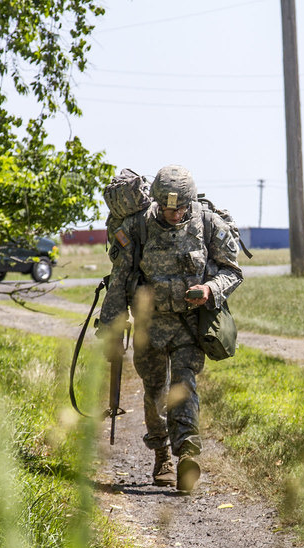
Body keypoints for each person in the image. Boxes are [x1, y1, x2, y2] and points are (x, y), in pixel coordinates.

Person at [98, 165, 243, 492]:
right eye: (166, 207)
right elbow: (119, 281)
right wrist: (110, 330)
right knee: (155, 392)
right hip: (149, 326)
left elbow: (233, 272)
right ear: (156, 202)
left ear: (189, 202)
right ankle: (162, 453)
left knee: (184, 386)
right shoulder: (138, 227)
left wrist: (209, 290)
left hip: (189, 326)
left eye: (179, 208)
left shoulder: (208, 224)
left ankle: (187, 454)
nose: (173, 213)